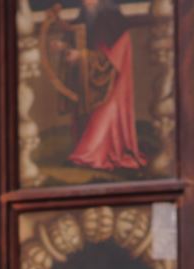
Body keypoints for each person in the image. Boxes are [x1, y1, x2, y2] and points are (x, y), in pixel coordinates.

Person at [64, 0, 146, 173]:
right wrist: (64, 47)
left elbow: (108, 60)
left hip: (113, 81)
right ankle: (88, 152)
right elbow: (80, 41)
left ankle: (89, 154)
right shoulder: (86, 14)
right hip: (98, 78)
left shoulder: (111, 18)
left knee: (104, 114)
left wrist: (81, 55)